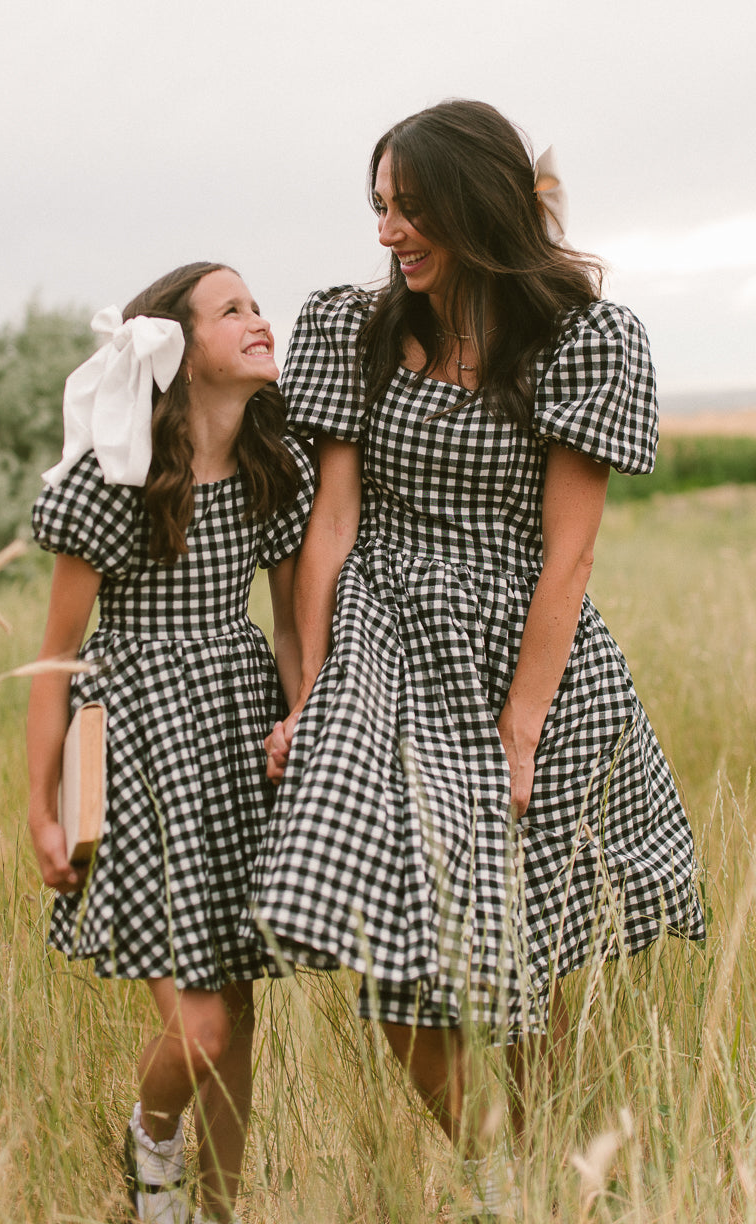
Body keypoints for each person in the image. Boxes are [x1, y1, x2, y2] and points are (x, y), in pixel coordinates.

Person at [252, 101, 705, 1215]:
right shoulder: (350, 326)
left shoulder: (583, 339)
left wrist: (521, 730)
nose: (387, 232)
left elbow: (570, 554)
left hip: (527, 662)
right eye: (379, 207)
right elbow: (333, 526)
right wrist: (308, 696)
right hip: (385, 648)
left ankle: (565, 1190)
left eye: (411, 209)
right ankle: (502, 1180)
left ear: (477, 205)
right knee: (394, 951)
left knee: (528, 954)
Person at [26, 262, 314, 1224]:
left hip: (235, 740)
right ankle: (153, 1140)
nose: (259, 319)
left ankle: (224, 1211)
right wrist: (43, 807)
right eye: (232, 309)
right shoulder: (119, 482)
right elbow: (58, 659)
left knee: (237, 1015)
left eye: (258, 304)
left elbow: (285, 629)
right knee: (198, 1029)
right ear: (179, 353)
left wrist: (297, 717)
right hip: (139, 747)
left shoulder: (273, 475)